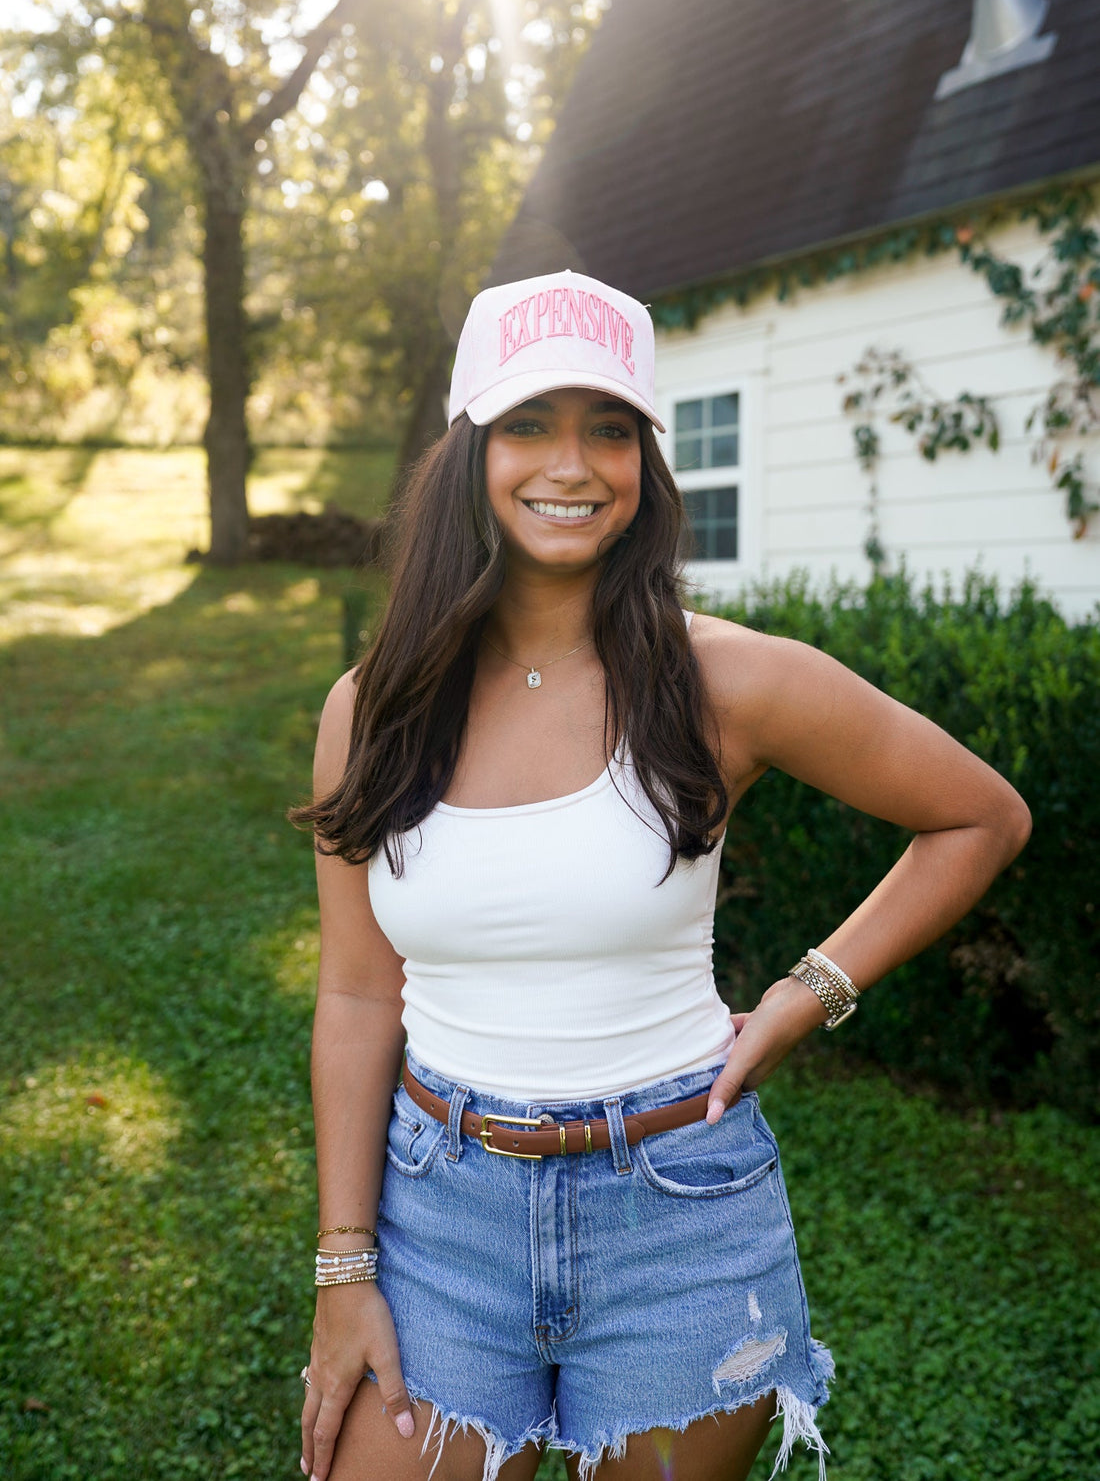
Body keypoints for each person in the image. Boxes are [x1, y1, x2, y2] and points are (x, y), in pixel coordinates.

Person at [293, 270, 1030, 1481]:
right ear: (468, 448)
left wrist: (805, 996)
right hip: (438, 1210)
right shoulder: (371, 707)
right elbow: (359, 996)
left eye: (609, 429)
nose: (570, 464)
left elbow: (976, 816)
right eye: (528, 423)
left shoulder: (724, 680)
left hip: (679, 1213)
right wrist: (341, 1263)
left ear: (647, 458)